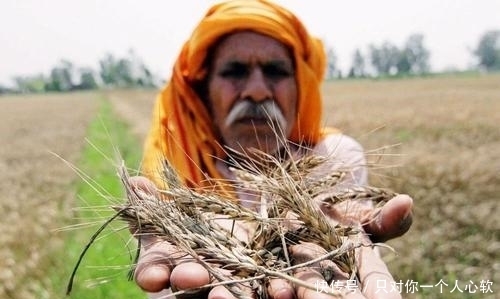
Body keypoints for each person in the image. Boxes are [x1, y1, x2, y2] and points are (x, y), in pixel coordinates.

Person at [130, 1, 413, 298]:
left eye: (275, 71)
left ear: (300, 87)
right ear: (205, 92)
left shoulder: (335, 157)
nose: (257, 90)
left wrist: (325, 235)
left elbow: (345, 242)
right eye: (234, 71)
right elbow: (169, 278)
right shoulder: (179, 165)